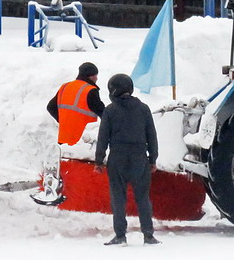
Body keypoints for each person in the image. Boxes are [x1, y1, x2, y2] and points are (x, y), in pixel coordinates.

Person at [95, 74, 160, 246]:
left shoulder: (109, 110)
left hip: (117, 158)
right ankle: (148, 235)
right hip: (140, 158)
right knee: (143, 198)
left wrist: (99, 160)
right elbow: (151, 136)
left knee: (118, 198)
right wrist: (153, 159)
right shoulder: (143, 108)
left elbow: (103, 137)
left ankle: (120, 236)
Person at [46, 62, 105, 145]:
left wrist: (64, 122)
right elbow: (103, 113)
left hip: (63, 140)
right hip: (83, 141)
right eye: (96, 75)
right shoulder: (90, 90)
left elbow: (50, 107)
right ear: (91, 76)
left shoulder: (65, 87)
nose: (97, 78)